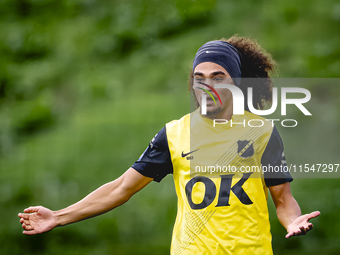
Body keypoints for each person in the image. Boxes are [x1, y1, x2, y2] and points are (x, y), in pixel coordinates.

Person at [18, 35, 320, 255]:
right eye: (199, 78)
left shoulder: (262, 132)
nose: (208, 86)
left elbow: (282, 200)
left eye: (218, 77)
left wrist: (293, 221)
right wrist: (58, 216)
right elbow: (122, 187)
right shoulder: (174, 133)